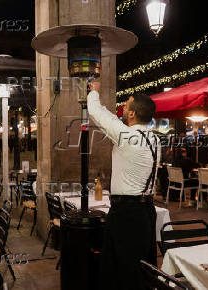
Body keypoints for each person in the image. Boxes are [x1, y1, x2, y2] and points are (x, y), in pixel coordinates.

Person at [87, 82, 161, 290]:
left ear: (132, 114)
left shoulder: (126, 137)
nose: (122, 109)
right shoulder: (154, 140)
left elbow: (97, 114)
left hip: (127, 213)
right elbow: (110, 119)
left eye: (126, 106)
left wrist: (94, 91)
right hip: (147, 211)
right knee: (143, 267)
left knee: (122, 269)